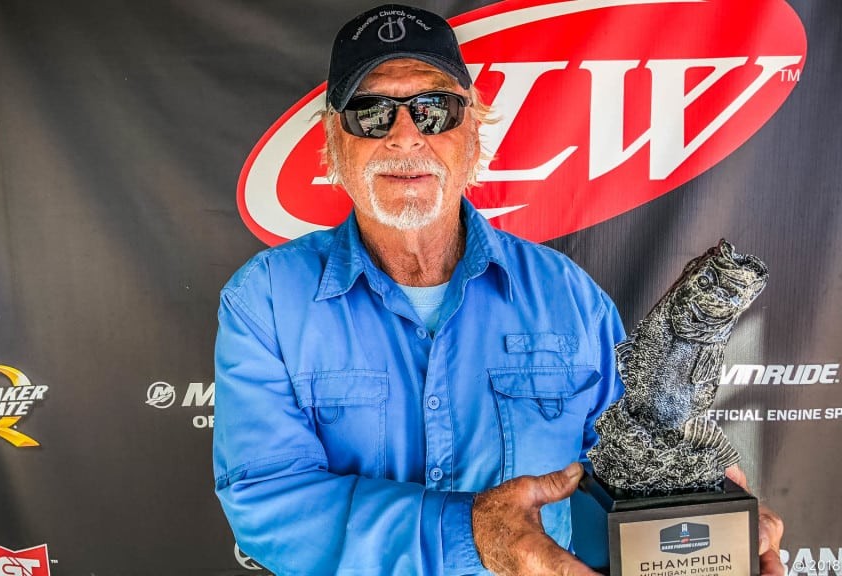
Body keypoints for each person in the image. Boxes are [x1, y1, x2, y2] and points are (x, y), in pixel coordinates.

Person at [213, 4, 783, 575]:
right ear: (334, 140)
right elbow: (267, 501)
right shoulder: (266, 300)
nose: (405, 136)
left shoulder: (570, 298)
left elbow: (622, 467)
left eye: (434, 109)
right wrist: (474, 531)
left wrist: (704, 516)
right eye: (372, 113)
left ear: (473, 131)